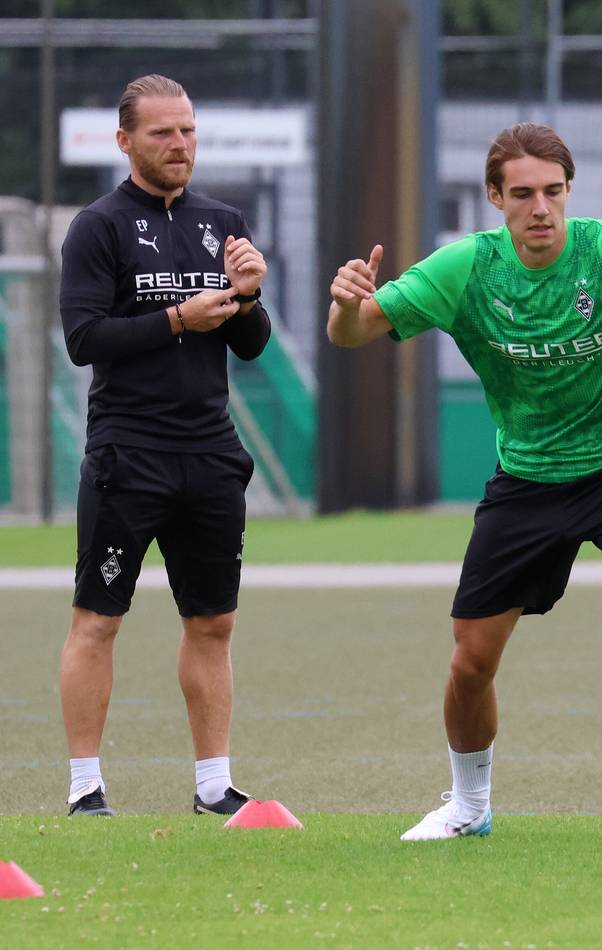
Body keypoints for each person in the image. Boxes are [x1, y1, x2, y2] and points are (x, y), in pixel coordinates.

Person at [328, 122, 602, 841]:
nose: (540, 208)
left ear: (569, 193)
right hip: (528, 478)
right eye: (523, 194)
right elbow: (351, 335)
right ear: (495, 197)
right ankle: (469, 806)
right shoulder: (466, 268)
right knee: (470, 663)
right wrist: (348, 303)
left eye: (553, 192)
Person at [59, 74, 271, 817]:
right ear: (126, 142)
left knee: (213, 622)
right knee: (99, 619)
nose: (179, 145)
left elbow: (249, 344)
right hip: (129, 455)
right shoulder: (99, 227)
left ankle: (214, 784)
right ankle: (86, 785)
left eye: (187, 131)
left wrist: (247, 295)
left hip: (209, 455)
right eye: (162, 133)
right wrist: (179, 318)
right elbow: (84, 339)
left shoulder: (223, 218)